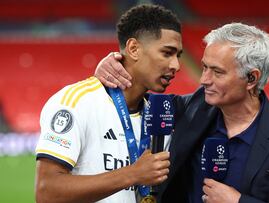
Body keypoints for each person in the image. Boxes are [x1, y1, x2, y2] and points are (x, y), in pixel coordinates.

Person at [95, 23, 269, 202]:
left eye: (217, 72)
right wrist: (114, 64)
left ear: (252, 78)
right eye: (205, 67)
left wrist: (239, 202)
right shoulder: (194, 108)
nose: (203, 79)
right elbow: (135, 100)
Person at [35, 4, 183, 203]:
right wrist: (133, 174)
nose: (176, 66)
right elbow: (47, 192)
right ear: (133, 49)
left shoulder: (160, 115)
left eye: (178, 56)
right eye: (167, 53)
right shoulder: (76, 102)